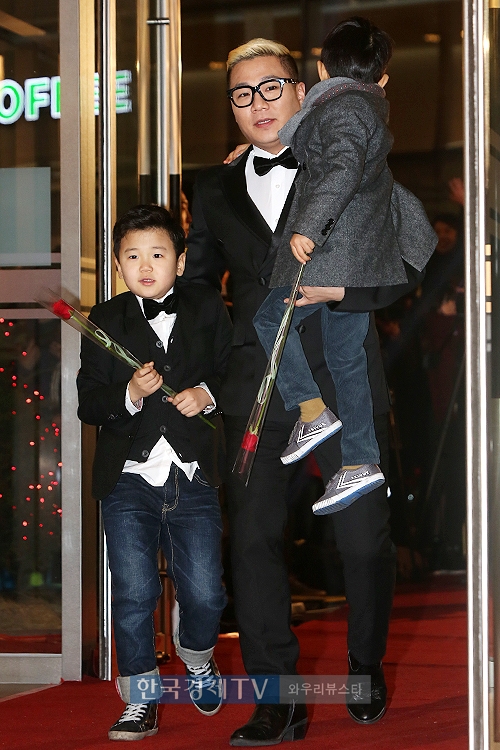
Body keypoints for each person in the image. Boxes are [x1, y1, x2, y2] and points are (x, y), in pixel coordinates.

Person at [184, 37, 426, 745]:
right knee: (253, 539)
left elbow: (413, 252)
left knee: (363, 538)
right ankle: (278, 701)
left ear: (304, 90)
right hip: (252, 386)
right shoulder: (214, 187)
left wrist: (347, 291)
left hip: (341, 378)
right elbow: (199, 288)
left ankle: (364, 662)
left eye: (271, 87)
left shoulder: (352, 158)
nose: (257, 104)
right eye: (241, 94)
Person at [253, 17, 436, 516]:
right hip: (354, 258)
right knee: (346, 357)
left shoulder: (345, 109)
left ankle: (312, 411)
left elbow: (339, 169)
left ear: (320, 69)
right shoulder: (362, 107)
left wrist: (309, 228)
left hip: (337, 253)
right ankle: (360, 459)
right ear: (383, 78)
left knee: (270, 321)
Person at [77, 205, 232, 741]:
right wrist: (129, 394)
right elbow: (89, 403)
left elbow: (233, 369)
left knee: (206, 593)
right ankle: (140, 698)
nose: (145, 266)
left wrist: (206, 394)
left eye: (158, 254)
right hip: (127, 478)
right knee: (134, 594)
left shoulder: (207, 305)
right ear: (117, 263)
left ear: (180, 262)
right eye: (132, 256)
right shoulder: (104, 319)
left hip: (194, 474)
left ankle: (198, 657)